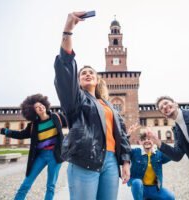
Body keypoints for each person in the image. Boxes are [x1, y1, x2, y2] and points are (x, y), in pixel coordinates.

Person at [53, 11, 131, 200]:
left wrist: (125, 161)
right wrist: (68, 30)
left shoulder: (107, 105)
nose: (87, 74)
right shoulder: (76, 99)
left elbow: (120, 132)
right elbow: (65, 69)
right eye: (82, 73)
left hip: (111, 161)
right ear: (77, 81)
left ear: (98, 80)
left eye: (91, 73)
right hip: (85, 159)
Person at [0, 94, 67, 200]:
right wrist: (2, 130)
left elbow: (73, 123)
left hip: (55, 155)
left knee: (51, 186)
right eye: (36, 107)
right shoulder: (33, 125)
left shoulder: (57, 117)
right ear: (34, 112)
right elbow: (20, 134)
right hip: (40, 156)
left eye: (41, 105)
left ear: (45, 105)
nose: (40, 107)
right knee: (26, 184)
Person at [127, 123, 175, 200]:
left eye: (149, 139)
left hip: (155, 189)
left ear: (153, 140)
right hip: (141, 189)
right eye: (144, 139)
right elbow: (124, 150)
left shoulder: (159, 154)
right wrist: (128, 135)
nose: (147, 141)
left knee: (170, 197)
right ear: (140, 142)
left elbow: (173, 154)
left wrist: (175, 132)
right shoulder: (136, 152)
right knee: (137, 182)